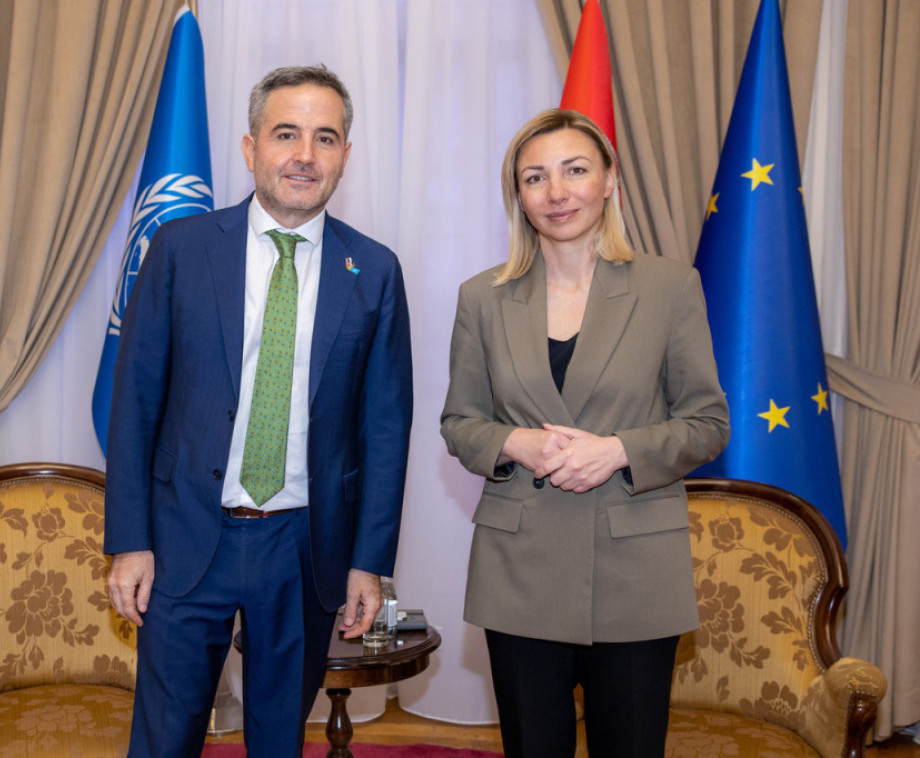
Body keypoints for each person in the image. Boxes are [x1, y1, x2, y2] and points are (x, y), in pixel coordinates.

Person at [104, 65, 413, 758]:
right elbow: (135, 404)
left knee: (279, 741)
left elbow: (387, 429)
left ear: (345, 155)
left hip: (304, 549)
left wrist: (369, 562)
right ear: (251, 149)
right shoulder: (181, 249)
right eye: (285, 134)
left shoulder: (374, 271)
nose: (305, 154)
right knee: (163, 740)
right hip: (185, 537)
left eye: (324, 137)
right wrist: (130, 540)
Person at [440, 109, 729, 758]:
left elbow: (708, 424)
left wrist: (620, 451)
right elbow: (460, 423)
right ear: (518, 196)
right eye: (535, 177)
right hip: (518, 572)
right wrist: (515, 443)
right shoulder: (482, 297)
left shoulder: (669, 288)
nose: (556, 192)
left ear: (609, 180)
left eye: (575, 170)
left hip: (635, 572)